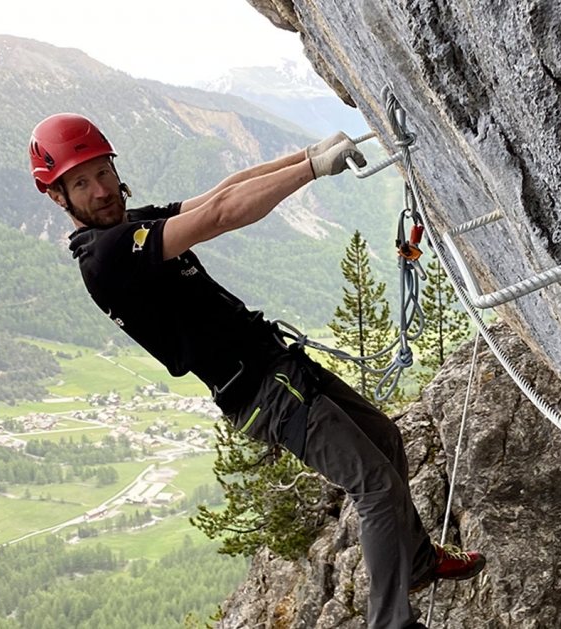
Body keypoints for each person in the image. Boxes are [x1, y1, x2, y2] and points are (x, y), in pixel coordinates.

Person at [29, 113, 484, 629]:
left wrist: (304, 154)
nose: (102, 190)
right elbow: (222, 214)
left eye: (103, 172)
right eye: (81, 183)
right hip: (261, 391)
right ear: (58, 197)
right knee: (375, 486)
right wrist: (312, 169)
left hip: (273, 366)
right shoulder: (107, 255)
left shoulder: (129, 226)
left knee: (384, 438)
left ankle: (418, 563)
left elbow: (217, 193)